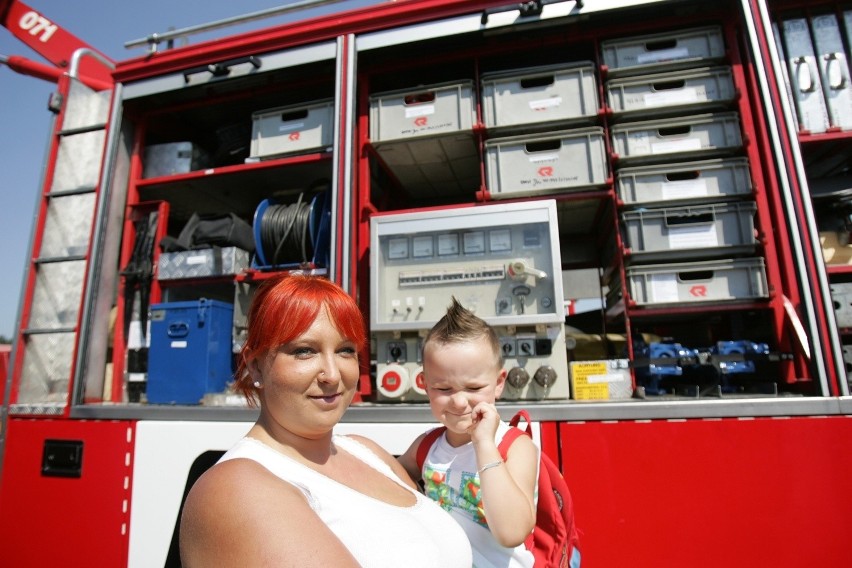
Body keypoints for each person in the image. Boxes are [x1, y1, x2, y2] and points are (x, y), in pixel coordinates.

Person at [179, 274, 472, 568]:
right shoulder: (235, 489)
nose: (332, 374)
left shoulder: (367, 451)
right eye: (304, 351)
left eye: (345, 350)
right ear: (255, 367)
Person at [398, 297, 540, 568]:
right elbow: (389, 478)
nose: (459, 402)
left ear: (499, 383)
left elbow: (511, 533)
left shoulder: (514, 446)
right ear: (425, 385)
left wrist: (484, 444)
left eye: (473, 389)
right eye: (443, 389)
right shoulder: (427, 445)